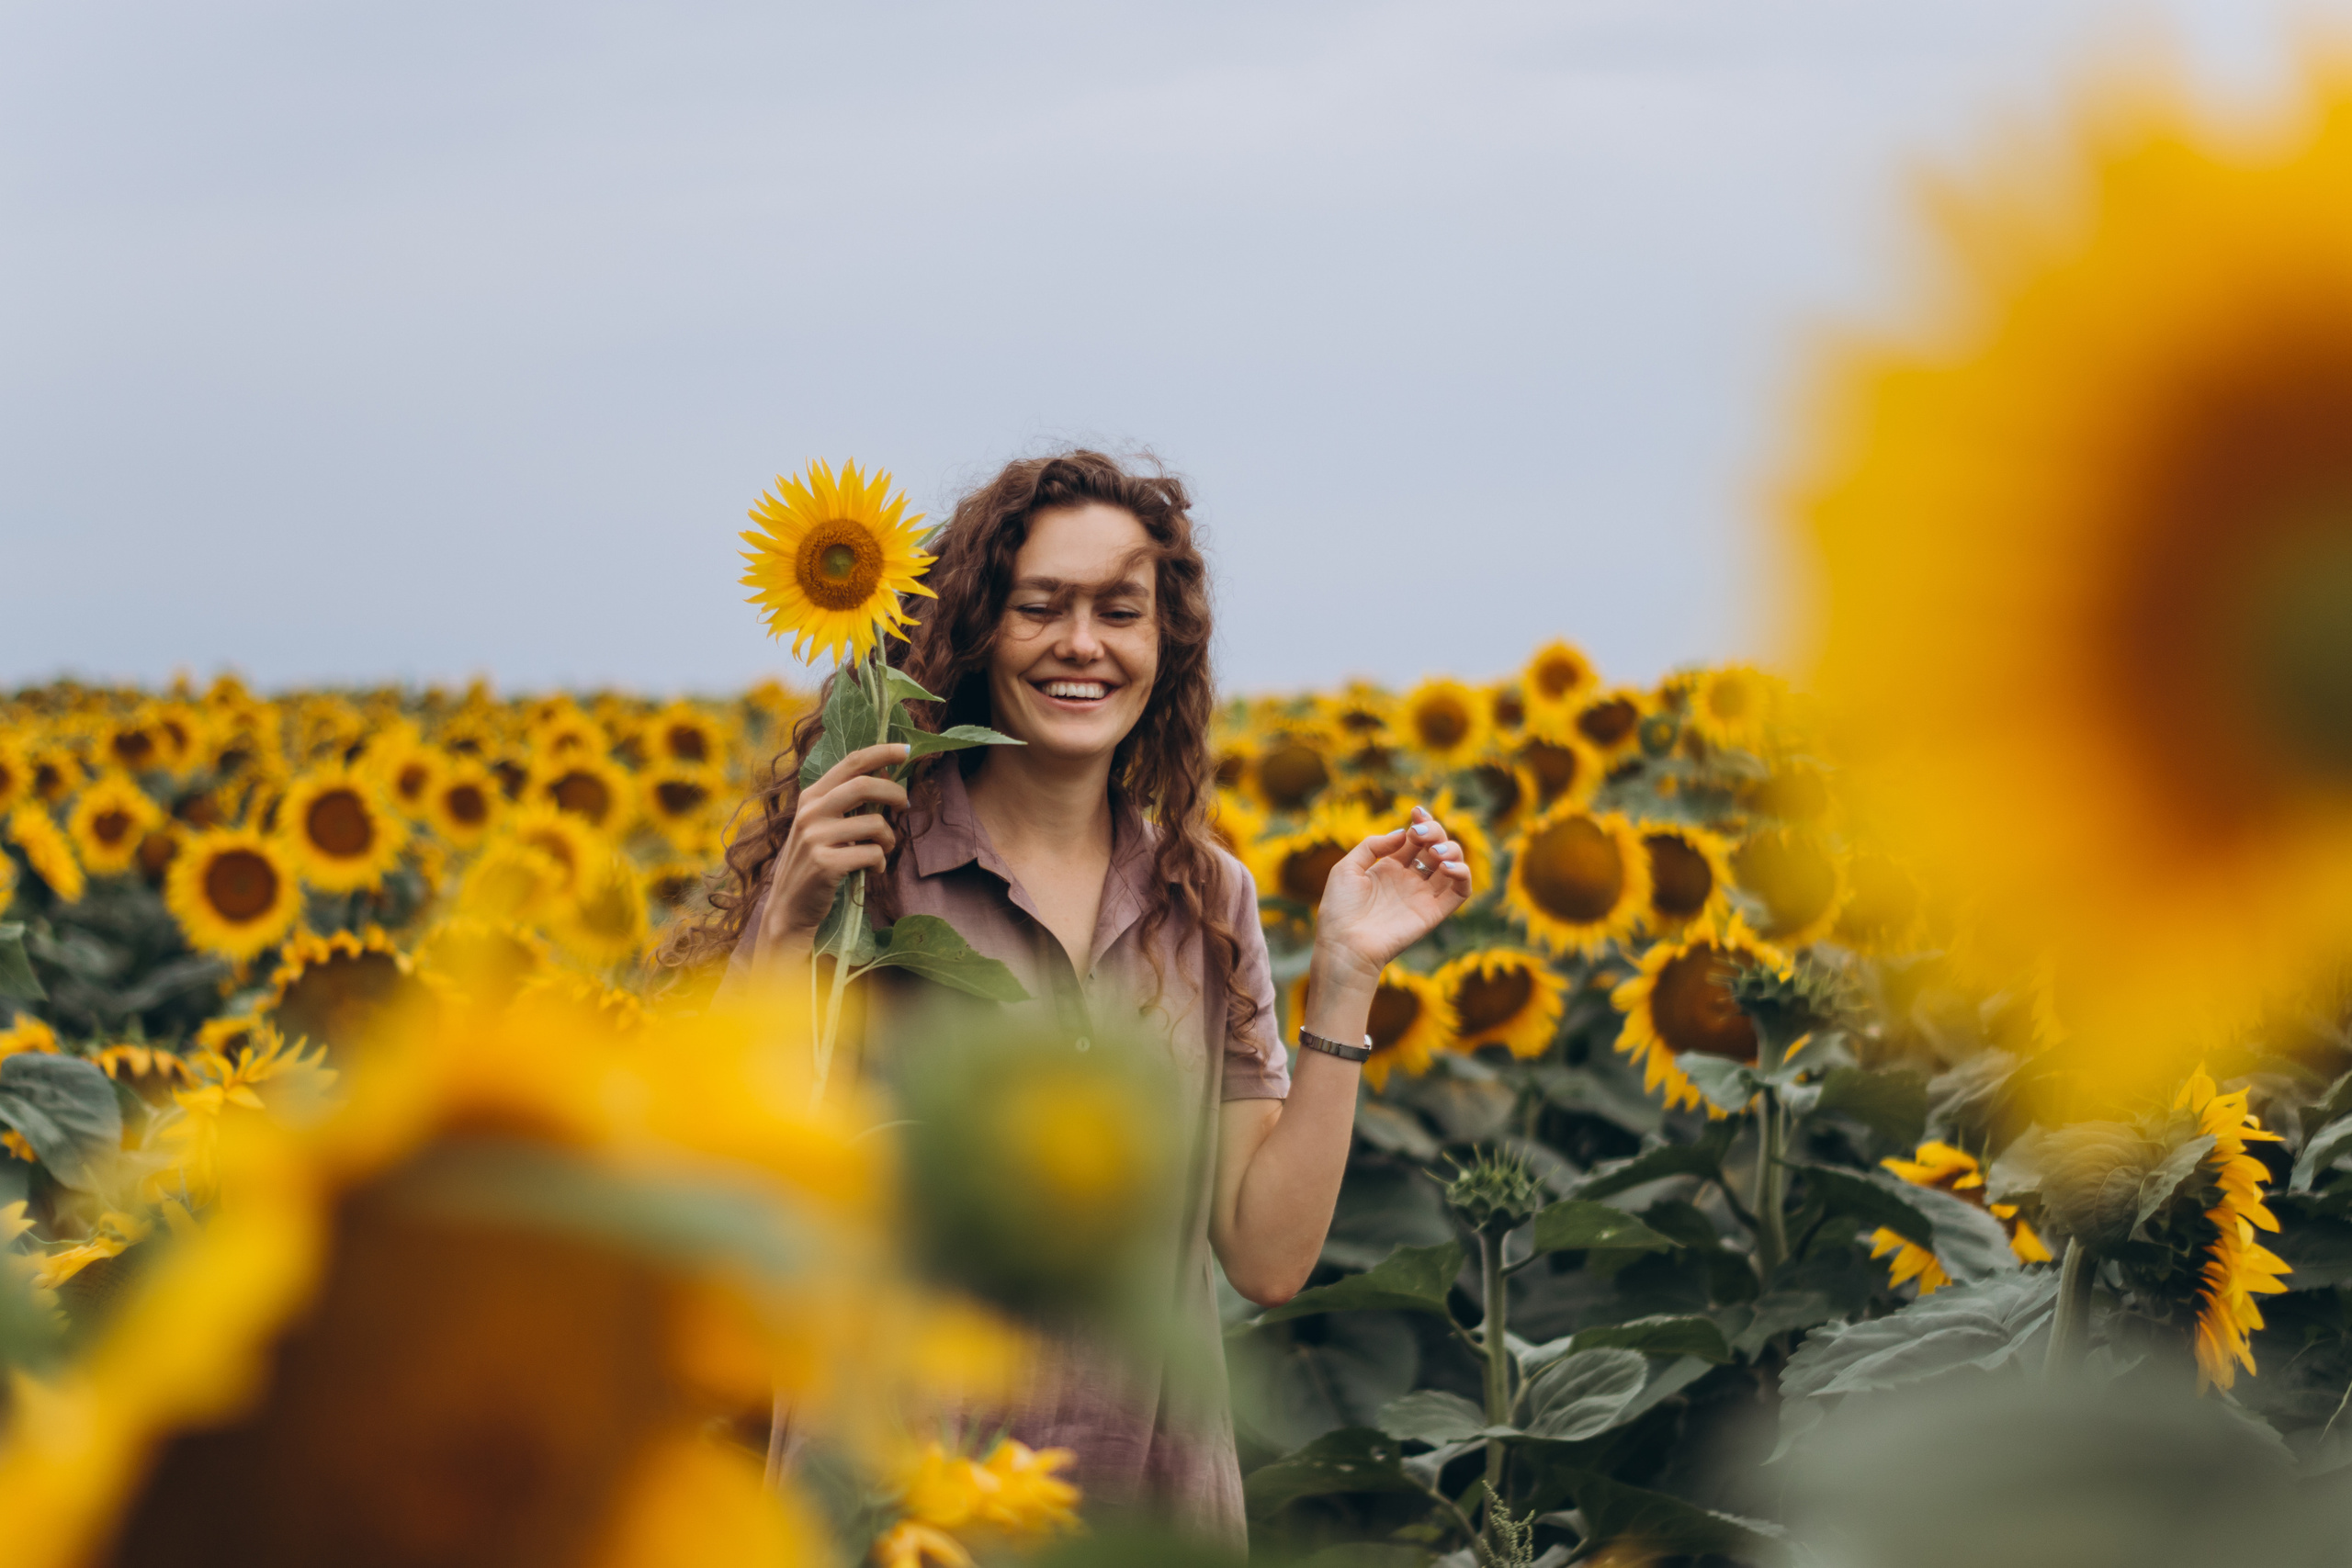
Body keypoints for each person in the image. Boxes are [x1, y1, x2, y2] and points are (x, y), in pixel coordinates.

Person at [673, 449, 1471, 1546]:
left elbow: (1266, 1256)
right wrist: (785, 922)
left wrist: (1344, 977)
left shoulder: (1205, 899)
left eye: (1119, 611)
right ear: (972, 631)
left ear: (1164, 643)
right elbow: (721, 1182)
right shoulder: (865, 867)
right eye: (1038, 606)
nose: (1082, 644)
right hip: (895, 1504)